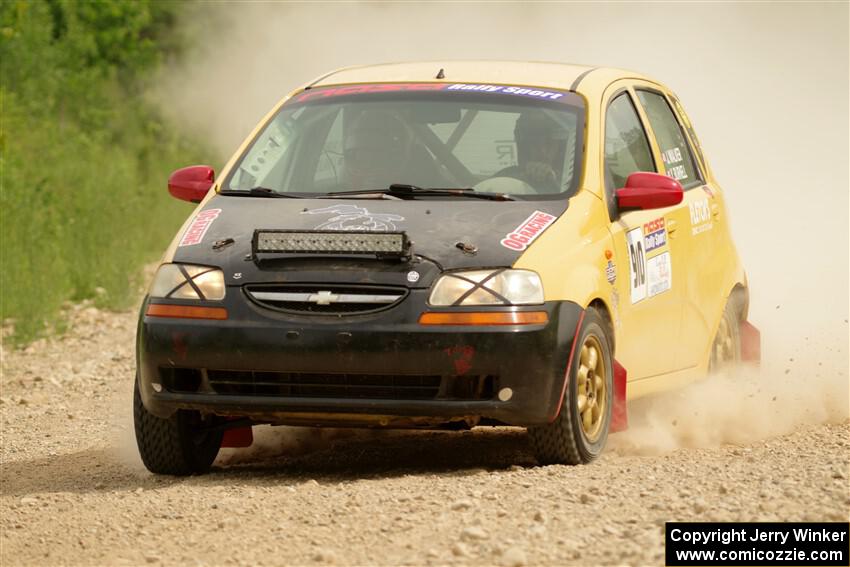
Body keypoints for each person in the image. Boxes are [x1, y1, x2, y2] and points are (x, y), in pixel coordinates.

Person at [340, 110, 414, 189]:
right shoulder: (332, 195)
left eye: (379, 159)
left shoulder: (417, 188)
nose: (369, 168)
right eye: (360, 159)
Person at [495, 110, 566, 193]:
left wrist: (553, 176)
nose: (542, 151)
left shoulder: (573, 183)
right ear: (524, 148)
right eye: (534, 144)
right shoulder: (505, 177)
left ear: (561, 147)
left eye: (548, 144)